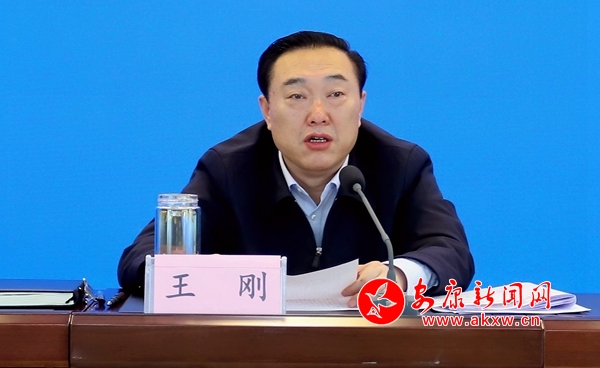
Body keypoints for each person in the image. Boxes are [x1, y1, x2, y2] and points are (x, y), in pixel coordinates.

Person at [118, 31, 474, 303]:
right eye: (297, 96)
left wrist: (398, 275)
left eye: (336, 95)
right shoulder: (227, 168)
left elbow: (450, 251)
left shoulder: (400, 164)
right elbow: (139, 260)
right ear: (267, 110)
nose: (318, 115)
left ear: (361, 105)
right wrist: (202, 274)